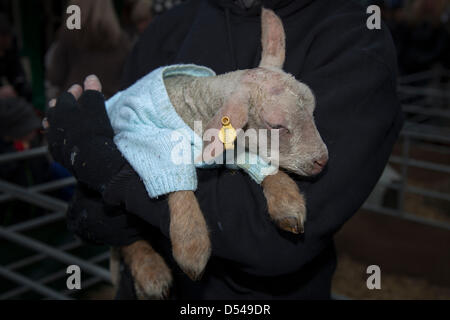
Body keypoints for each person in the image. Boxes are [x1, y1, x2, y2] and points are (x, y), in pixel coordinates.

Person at [45, 0, 404, 299]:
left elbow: (271, 239)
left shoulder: (352, 38)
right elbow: (99, 190)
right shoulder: (167, 28)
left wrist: (116, 178)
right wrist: (94, 183)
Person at [47, 0, 132, 99]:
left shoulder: (68, 36)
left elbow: (55, 76)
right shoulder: (121, 40)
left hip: (76, 101)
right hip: (110, 104)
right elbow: (129, 77)